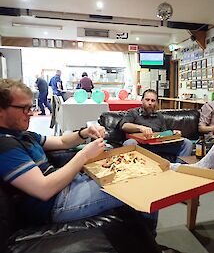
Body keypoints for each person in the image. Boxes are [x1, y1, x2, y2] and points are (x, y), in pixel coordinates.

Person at [0, 79, 158, 227]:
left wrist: (84, 132)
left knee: (134, 170)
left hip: (67, 186)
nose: (31, 112)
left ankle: (142, 236)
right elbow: (44, 189)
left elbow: (62, 142)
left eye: (30, 107)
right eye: (24, 108)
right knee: (143, 183)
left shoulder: (24, 135)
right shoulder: (5, 145)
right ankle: (150, 239)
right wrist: (84, 155)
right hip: (57, 204)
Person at [120, 89, 193, 162]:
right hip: (140, 146)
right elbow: (124, 126)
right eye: (147, 100)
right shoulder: (133, 112)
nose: (150, 103)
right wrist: (140, 128)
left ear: (156, 103)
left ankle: (177, 169)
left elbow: (163, 134)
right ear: (142, 100)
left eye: (153, 101)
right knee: (129, 143)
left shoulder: (159, 116)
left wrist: (173, 133)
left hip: (158, 145)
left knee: (187, 143)